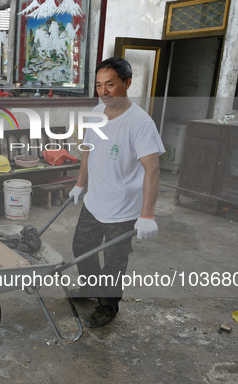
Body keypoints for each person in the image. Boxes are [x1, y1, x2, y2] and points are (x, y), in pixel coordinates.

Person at [68, 56, 165, 328]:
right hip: (94, 200)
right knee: (82, 248)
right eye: (99, 85)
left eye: (110, 85)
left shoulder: (140, 123)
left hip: (122, 209)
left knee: (114, 262)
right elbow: (87, 150)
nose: (103, 91)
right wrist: (79, 183)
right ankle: (90, 288)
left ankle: (108, 305)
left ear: (127, 83)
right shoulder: (97, 112)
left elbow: (153, 169)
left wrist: (147, 214)